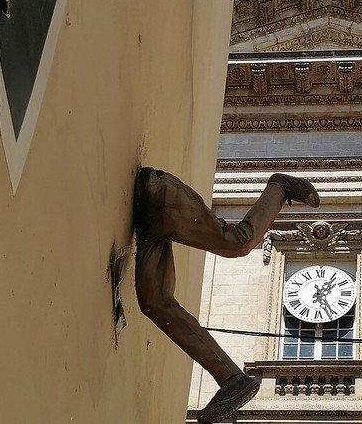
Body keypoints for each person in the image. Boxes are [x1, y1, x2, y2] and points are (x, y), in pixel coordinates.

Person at [133, 167, 320, 423]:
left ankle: (232, 378)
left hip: (157, 202)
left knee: (157, 301)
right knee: (157, 300)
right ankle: (280, 187)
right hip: (155, 205)